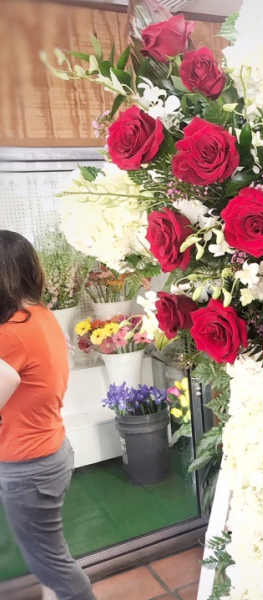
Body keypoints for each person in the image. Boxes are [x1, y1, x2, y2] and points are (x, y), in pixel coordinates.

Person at [0, 230, 95, 600]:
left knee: (50, 563)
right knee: (48, 557)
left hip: (28, 466)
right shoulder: (39, 316)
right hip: (48, 452)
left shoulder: (11, 335)